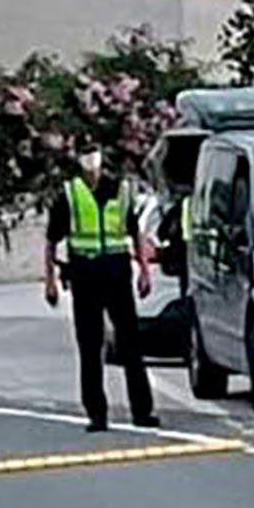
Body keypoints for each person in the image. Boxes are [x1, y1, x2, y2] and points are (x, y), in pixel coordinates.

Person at [45, 147, 160, 432]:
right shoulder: (70, 195)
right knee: (90, 345)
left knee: (130, 344)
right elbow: (51, 240)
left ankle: (142, 411)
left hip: (117, 272)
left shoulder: (119, 191)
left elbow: (135, 233)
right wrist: (49, 281)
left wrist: (144, 272)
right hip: (85, 274)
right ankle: (97, 413)